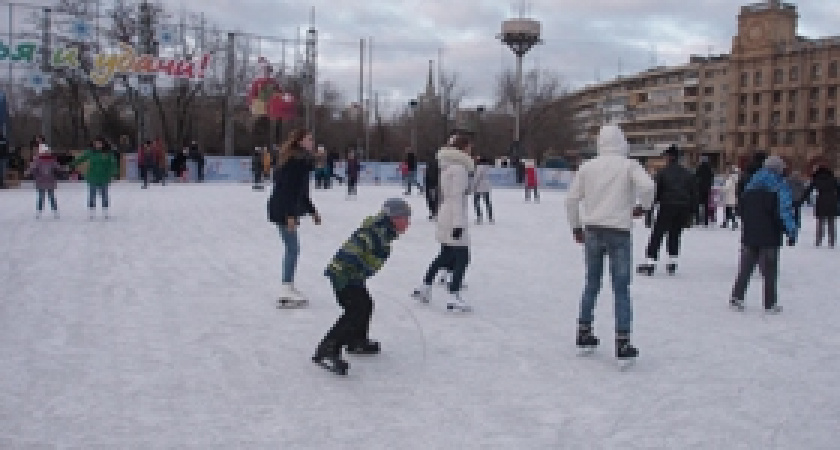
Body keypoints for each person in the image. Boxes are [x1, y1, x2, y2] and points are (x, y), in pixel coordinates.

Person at [565, 124, 655, 363]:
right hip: (619, 231)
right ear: (622, 142)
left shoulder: (588, 167)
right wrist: (643, 207)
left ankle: (584, 331)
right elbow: (647, 186)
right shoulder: (629, 165)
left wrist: (576, 227)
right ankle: (623, 342)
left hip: (593, 231)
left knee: (592, 283)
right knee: (621, 288)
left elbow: (571, 200)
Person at [312, 198, 412, 375]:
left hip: (353, 276)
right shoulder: (375, 232)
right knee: (356, 308)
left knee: (366, 304)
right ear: (394, 218)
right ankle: (327, 349)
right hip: (344, 275)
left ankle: (356, 341)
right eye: (405, 218)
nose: (408, 222)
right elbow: (352, 250)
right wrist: (353, 272)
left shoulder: (384, 232)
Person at [412, 133, 475, 312]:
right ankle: (453, 295)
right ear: (463, 148)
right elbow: (457, 197)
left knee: (446, 255)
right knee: (462, 256)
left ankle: (425, 287)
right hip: (453, 215)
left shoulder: (447, 166)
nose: (471, 150)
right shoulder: (460, 169)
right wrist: (458, 224)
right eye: (469, 146)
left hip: (444, 213)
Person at [729, 156, 798, 313]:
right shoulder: (779, 187)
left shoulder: (750, 186)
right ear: (779, 169)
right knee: (770, 270)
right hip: (769, 235)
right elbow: (784, 211)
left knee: (745, 268)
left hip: (750, 234)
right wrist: (791, 231)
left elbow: (741, 210)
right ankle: (770, 303)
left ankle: (737, 297)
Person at [267, 129, 321, 308]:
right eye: (309, 139)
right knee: (292, 248)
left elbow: (301, 192)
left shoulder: (300, 161)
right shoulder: (296, 161)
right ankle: (286, 288)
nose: (312, 142)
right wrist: (289, 215)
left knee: (292, 248)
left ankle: (288, 286)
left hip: (283, 207)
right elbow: (288, 190)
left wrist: (312, 211)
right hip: (283, 208)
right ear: (299, 142)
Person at [637, 144, 697, 276]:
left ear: (669, 157)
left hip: (667, 206)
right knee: (675, 234)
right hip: (683, 208)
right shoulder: (688, 174)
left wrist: (649, 211)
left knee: (657, 234)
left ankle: (650, 263)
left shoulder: (663, 173)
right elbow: (694, 194)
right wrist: (691, 214)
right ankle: (672, 262)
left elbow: (655, 194)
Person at [70, 136, 119, 219]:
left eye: (100, 143)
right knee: (92, 195)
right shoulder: (90, 152)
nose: (98, 145)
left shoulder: (108, 153)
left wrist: (114, 173)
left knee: (104, 195)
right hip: (92, 176)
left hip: (104, 177)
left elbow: (113, 164)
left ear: (103, 144)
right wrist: (72, 165)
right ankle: (91, 211)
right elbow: (81, 159)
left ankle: (105, 211)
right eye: (96, 143)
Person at [801, 164, 839, 248]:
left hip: (821, 201)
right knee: (831, 222)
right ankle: (832, 241)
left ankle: (818, 240)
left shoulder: (816, 179)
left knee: (820, 222)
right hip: (832, 201)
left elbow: (808, 190)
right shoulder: (833, 179)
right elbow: (838, 190)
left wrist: (801, 200)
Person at [26, 144, 61, 219]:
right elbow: (33, 168)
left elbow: (57, 168)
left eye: (47, 151)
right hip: (40, 181)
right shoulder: (37, 160)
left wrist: (59, 170)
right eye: (44, 151)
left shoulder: (52, 160)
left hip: (50, 180)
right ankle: (39, 211)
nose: (46, 153)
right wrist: (29, 172)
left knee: (51, 196)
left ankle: (55, 211)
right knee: (41, 197)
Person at [473, 156, 493, 224]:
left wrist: (474, 185)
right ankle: (490, 217)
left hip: (479, 186)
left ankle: (479, 216)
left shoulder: (479, 167)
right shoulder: (488, 168)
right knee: (487, 202)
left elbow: (477, 177)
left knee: (477, 202)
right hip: (486, 186)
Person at [694, 156, 714, 226]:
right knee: (706, 206)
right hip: (707, 189)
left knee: (698, 205)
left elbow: (695, 178)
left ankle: (697, 220)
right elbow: (712, 178)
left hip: (699, 189)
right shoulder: (709, 169)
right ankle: (706, 221)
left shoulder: (699, 168)